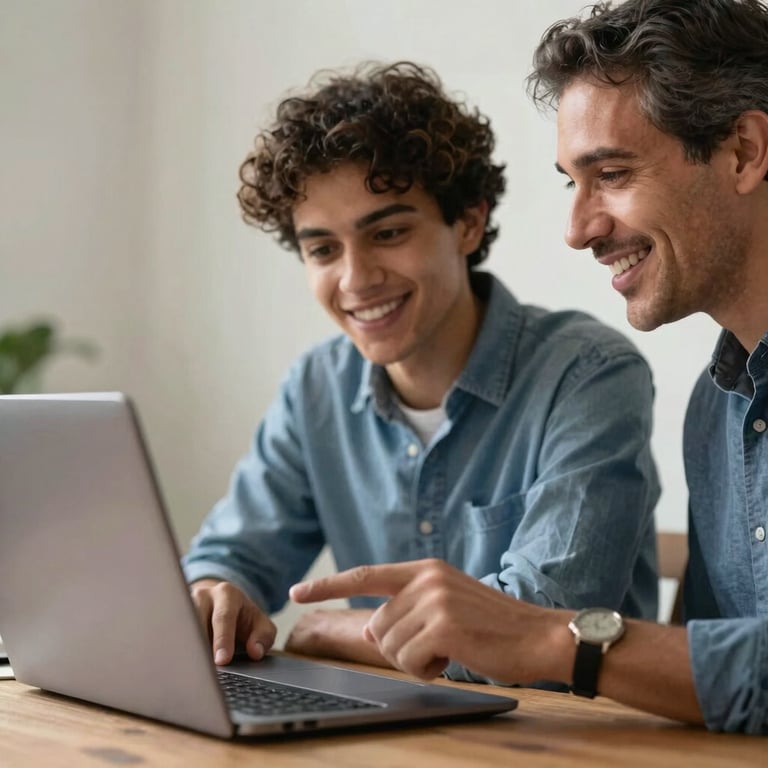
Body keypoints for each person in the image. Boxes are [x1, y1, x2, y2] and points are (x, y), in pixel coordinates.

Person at [291, 0, 768, 735]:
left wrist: (554, 639)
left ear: (743, 151)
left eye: (609, 172)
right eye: (571, 183)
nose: (578, 229)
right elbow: (716, 682)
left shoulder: (592, 373)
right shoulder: (719, 403)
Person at [183, 61, 660, 683]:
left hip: (557, 740)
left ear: (467, 223)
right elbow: (230, 557)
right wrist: (216, 593)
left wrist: (329, 630)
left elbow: (543, 625)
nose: (355, 279)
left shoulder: (589, 373)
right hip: (385, 734)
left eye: (387, 232)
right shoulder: (316, 388)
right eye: (322, 249)